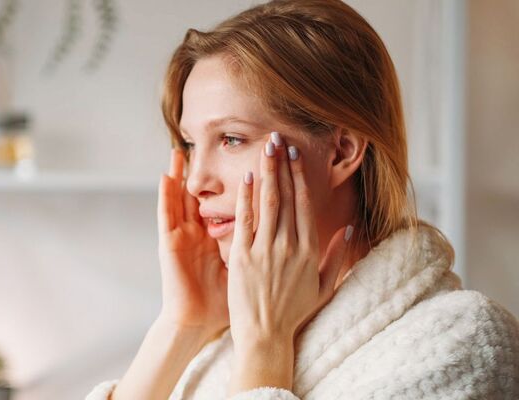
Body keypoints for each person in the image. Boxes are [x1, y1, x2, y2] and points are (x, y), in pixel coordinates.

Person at [86, 0, 519, 399]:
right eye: (190, 144)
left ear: (341, 151)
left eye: (232, 139)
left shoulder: (464, 339)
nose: (197, 181)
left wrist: (265, 348)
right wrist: (184, 324)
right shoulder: (217, 344)